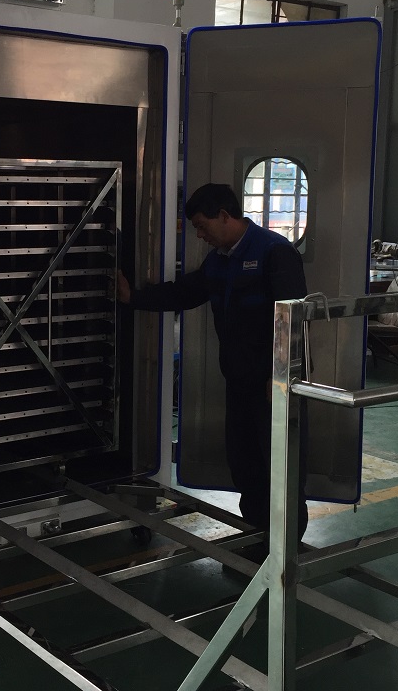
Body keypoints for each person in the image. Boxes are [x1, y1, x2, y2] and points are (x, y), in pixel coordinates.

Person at [117, 182, 309, 542]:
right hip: (239, 382)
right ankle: (257, 538)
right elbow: (186, 292)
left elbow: (294, 321)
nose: (200, 235)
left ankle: (286, 551)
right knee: (246, 465)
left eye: (202, 226)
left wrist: (281, 378)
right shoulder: (220, 259)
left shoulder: (274, 252)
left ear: (223, 216)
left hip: (275, 386)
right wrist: (134, 298)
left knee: (280, 467)